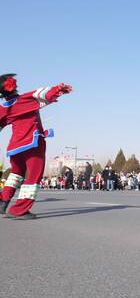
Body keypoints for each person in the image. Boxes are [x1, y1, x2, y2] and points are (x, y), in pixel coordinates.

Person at [0, 74, 72, 219]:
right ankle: (19, 210)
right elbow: (41, 94)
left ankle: (3, 200)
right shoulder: (23, 100)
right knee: (33, 176)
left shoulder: (3, 108)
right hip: (31, 143)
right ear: (13, 86)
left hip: (15, 147)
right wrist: (59, 89)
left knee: (16, 174)